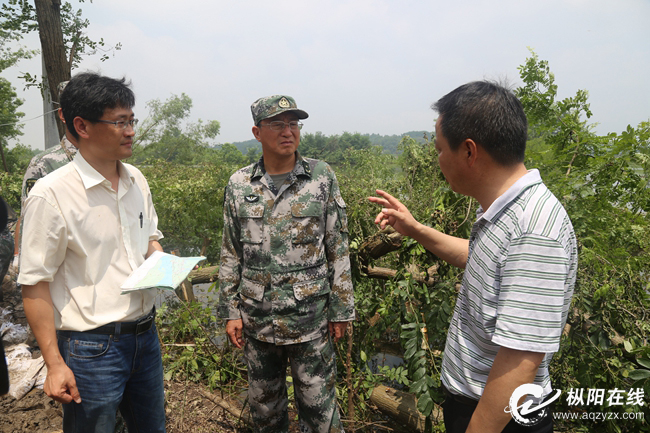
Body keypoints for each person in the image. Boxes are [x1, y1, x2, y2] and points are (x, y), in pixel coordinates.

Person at [369, 81, 578, 433]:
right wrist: (415, 228)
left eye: (438, 149)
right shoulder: (506, 212)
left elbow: (520, 362)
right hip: (478, 406)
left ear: (469, 151)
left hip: (500, 418)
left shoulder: (533, 231)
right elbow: (484, 259)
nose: (437, 160)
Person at [17, 72, 166, 433]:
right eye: (119, 122)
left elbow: (150, 240)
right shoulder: (51, 194)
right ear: (81, 126)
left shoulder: (136, 180)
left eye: (131, 120)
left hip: (145, 339)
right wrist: (54, 365)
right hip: (91, 348)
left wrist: (161, 260)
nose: (130, 131)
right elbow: (34, 284)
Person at [218, 95, 354, 433]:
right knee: (265, 413)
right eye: (277, 124)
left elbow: (338, 247)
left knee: (320, 412)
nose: (287, 131)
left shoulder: (321, 177)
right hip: (257, 319)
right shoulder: (240, 184)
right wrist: (230, 311)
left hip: (310, 319)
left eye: (293, 123)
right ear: (257, 131)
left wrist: (341, 310)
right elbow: (231, 251)